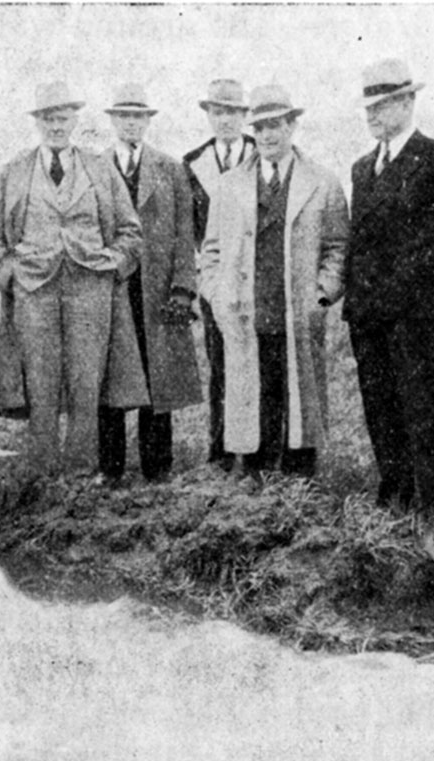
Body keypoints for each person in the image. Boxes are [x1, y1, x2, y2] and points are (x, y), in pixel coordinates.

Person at [0, 81, 146, 478]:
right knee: (40, 386)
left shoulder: (100, 169)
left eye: (63, 117)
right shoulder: (13, 172)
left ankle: (81, 475)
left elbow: (130, 232)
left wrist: (112, 265)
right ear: (38, 122)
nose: (56, 125)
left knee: (87, 385)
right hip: (34, 292)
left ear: (75, 120)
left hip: (91, 291)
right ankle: (43, 473)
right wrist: (10, 276)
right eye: (48, 118)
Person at [342, 59, 434, 512]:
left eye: (380, 106)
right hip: (369, 317)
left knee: (424, 410)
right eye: (367, 108)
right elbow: (360, 242)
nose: (372, 116)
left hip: (418, 317)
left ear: (407, 102)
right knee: (380, 410)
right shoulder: (363, 168)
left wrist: (425, 297)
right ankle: (395, 495)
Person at [199, 84, 349, 480]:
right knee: (253, 390)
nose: (267, 135)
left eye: (276, 125)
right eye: (260, 126)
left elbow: (337, 248)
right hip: (247, 310)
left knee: (298, 391)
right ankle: (254, 472)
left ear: (293, 125)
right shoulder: (230, 185)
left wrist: (322, 293)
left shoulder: (323, 182)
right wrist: (216, 294)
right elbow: (211, 251)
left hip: (298, 310)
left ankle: (300, 477)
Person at [96, 84, 202, 485]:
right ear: (112, 120)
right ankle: (111, 468)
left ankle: (158, 467)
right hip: (114, 287)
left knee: (159, 379)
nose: (130, 123)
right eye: (123, 116)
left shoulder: (170, 168)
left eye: (138, 116)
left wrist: (182, 289)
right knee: (113, 378)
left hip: (157, 291)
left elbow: (183, 233)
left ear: (147, 121)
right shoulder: (96, 166)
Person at [184, 79, 255, 472]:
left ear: (244, 116)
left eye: (233, 112)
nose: (225, 119)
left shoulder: (263, 154)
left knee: (259, 364)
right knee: (220, 365)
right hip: (215, 280)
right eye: (218, 112)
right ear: (209, 116)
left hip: (257, 280)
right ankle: (221, 453)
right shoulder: (192, 162)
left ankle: (260, 451)